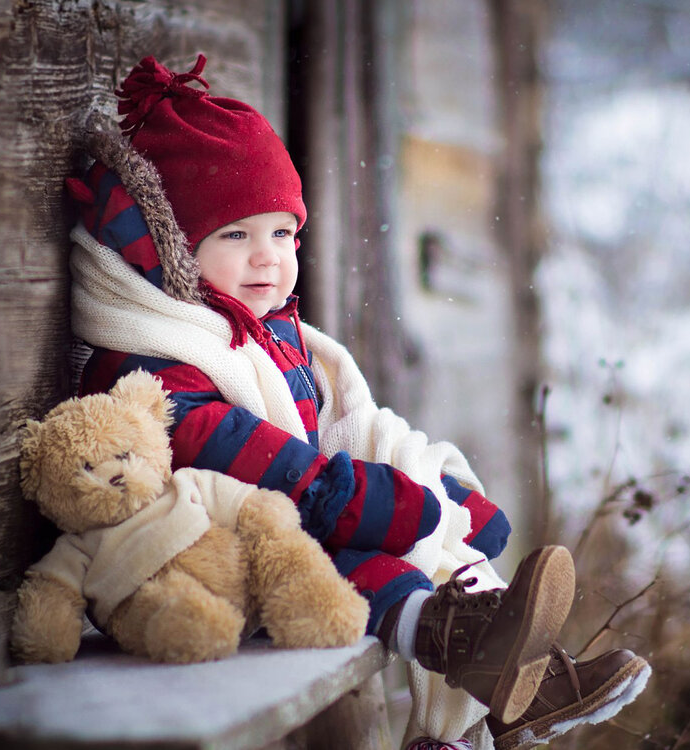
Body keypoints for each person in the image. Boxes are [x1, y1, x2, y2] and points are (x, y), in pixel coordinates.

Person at [66, 54, 649, 750]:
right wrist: (335, 493)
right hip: (192, 564)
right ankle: (463, 647)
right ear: (176, 251)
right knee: (350, 553)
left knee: (393, 542)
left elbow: (343, 426)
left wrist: (438, 492)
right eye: (236, 235)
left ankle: (526, 679)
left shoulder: (264, 334)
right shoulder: (153, 353)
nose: (267, 258)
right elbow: (213, 438)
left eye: (282, 233)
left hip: (277, 527)